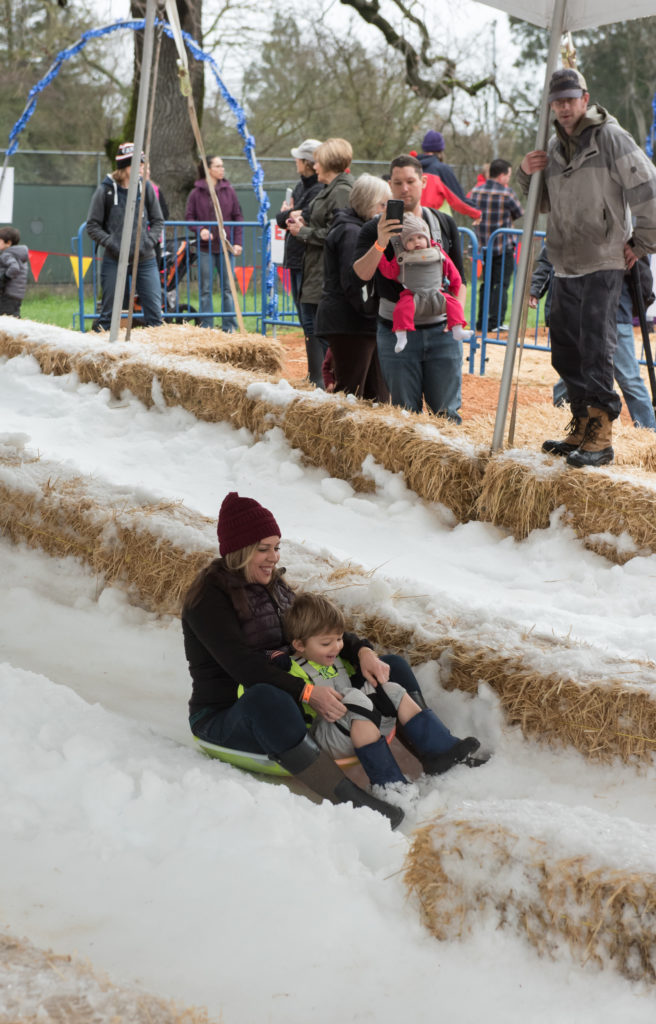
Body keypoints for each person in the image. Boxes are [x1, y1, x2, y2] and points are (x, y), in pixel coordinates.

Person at [183, 491, 436, 829]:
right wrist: (306, 692)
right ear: (239, 551)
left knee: (392, 668)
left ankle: (438, 754)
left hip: (297, 709)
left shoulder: (274, 587)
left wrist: (362, 651)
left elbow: (316, 631)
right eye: (263, 548)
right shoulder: (207, 601)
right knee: (267, 698)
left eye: (276, 547)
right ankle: (350, 797)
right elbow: (242, 667)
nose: (273, 557)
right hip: (227, 718)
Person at [519, 68, 656, 467]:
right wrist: (526, 175)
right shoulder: (552, 147)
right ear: (551, 105)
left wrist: (641, 244)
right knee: (564, 352)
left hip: (604, 261)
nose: (565, 107)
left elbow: (652, 192)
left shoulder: (611, 138)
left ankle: (601, 434)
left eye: (571, 99)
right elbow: (542, 206)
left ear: (585, 99)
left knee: (595, 348)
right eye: (558, 101)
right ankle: (582, 421)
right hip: (564, 262)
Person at [279, 593, 482, 787]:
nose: (336, 647)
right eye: (326, 643)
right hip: (326, 738)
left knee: (390, 688)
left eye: (339, 639)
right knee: (355, 697)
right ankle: (388, 782)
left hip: (357, 724)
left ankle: (440, 750)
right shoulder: (293, 671)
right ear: (299, 645)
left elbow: (363, 672)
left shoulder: (336, 659)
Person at [352, 154, 467, 422]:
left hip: (442, 333)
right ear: (389, 185)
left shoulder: (443, 223)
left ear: (423, 182)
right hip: (397, 334)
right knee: (406, 417)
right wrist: (381, 241)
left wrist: (456, 318)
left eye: (411, 181)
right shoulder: (374, 229)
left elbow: (460, 279)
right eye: (398, 182)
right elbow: (360, 275)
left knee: (447, 415)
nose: (405, 188)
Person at [530, 245, 656, 431]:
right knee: (571, 372)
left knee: (628, 378)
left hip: (612, 310)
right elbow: (550, 255)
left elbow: (641, 272)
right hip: (574, 308)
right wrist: (535, 287)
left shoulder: (623, 226)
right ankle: (563, 426)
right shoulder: (567, 221)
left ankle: (649, 435)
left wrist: (637, 305)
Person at [314, 173, 390, 401]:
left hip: (357, 322)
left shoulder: (352, 228)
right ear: (370, 202)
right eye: (383, 204)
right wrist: (370, 312)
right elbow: (353, 282)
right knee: (351, 393)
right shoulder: (351, 232)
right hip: (351, 322)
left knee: (373, 394)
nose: (386, 210)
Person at [286, 137, 354, 388]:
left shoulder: (342, 192)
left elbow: (338, 234)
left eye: (318, 162)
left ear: (329, 164)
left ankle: (334, 384)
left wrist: (303, 233)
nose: (314, 167)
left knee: (323, 332)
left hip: (326, 274)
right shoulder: (332, 188)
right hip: (314, 271)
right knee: (312, 327)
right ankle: (321, 382)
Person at [86, 142, 164, 331]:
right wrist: (112, 243)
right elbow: (92, 225)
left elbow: (158, 221)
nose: (144, 168)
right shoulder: (105, 190)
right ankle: (102, 348)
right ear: (127, 166)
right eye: (140, 164)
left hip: (145, 258)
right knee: (109, 312)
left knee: (155, 314)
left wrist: (148, 242)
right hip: (114, 258)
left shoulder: (146, 188)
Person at [378, 212, 469, 353]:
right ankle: (402, 336)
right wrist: (381, 258)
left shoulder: (437, 251)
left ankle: (457, 329)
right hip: (411, 294)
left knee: (454, 304)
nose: (417, 242)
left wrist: (455, 284)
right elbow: (389, 271)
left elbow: (450, 268)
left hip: (436, 291)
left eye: (420, 237)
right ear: (404, 243)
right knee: (401, 310)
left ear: (427, 237)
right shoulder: (402, 257)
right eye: (411, 240)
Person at [185, 155, 244, 332]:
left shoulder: (229, 190)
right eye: (218, 166)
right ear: (208, 169)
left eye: (222, 166)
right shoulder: (196, 193)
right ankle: (207, 328)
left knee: (228, 289)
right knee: (205, 290)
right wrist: (201, 229)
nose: (222, 169)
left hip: (226, 247)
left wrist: (238, 243)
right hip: (205, 249)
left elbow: (237, 216)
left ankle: (229, 327)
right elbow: (189, 217)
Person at [275, 139, 324, 340]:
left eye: (299, 159)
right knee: (303, 315)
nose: (296, 162)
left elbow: (299, 216)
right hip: (295, 257)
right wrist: (288, 214)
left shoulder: (318, 189)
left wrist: (289, 214)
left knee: (310, 317)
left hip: (308, 259)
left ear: (307, 162)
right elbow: (283, 219)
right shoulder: (299, 186)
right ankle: (314, 366)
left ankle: (319, 368)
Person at [468, 158, 524, 333]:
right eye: (507, 174)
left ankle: (481, 322)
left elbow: (470, 210)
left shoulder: (475, 191)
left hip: (483, 246)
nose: (508, 178)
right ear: (501, 175)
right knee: (501, 285)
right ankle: (496, 322)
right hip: (503, 245)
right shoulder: (507, 193)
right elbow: (519, 212)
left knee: (486, 284)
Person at [416, 130, 470, 205]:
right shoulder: (442, 169)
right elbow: (460, 200)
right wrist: (477, 212)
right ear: (441, 150)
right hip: (436, 215)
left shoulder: (412, 167)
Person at [0, 227, 29, 317]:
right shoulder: (19, 254)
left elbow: (14, 267)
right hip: (17, 295)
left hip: (8, 294)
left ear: (8, 243)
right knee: (14, 316)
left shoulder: (7, 254)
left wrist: (4, 278)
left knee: (6, 319)